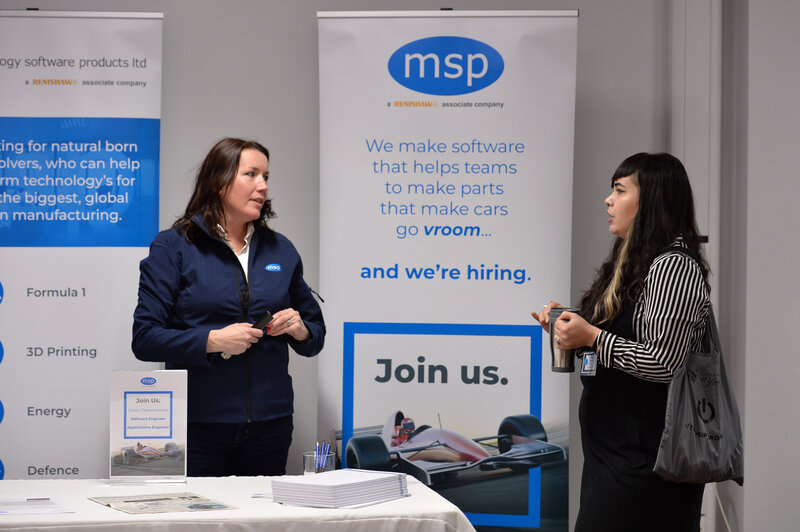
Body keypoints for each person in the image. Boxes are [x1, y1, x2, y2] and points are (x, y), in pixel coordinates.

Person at [532, 153, 708, 531]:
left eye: (619, 190)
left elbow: (663, 362)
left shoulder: (673, 267)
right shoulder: (631, 262)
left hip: (647, 467)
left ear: (651, 200)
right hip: (613, 459)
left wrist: (591, 335)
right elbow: (620, 341)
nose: (608, 200)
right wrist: (568, 330)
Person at [132, 137, 325, 477]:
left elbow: (315, 337)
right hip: (196, 426)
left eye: (266, 176)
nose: (263, 186)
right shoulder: (173, 247)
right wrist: (212, 341)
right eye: (251, 174)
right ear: (219, 182)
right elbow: (145, 338)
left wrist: (300, 328)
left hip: (271, 425)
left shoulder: (282, 250)